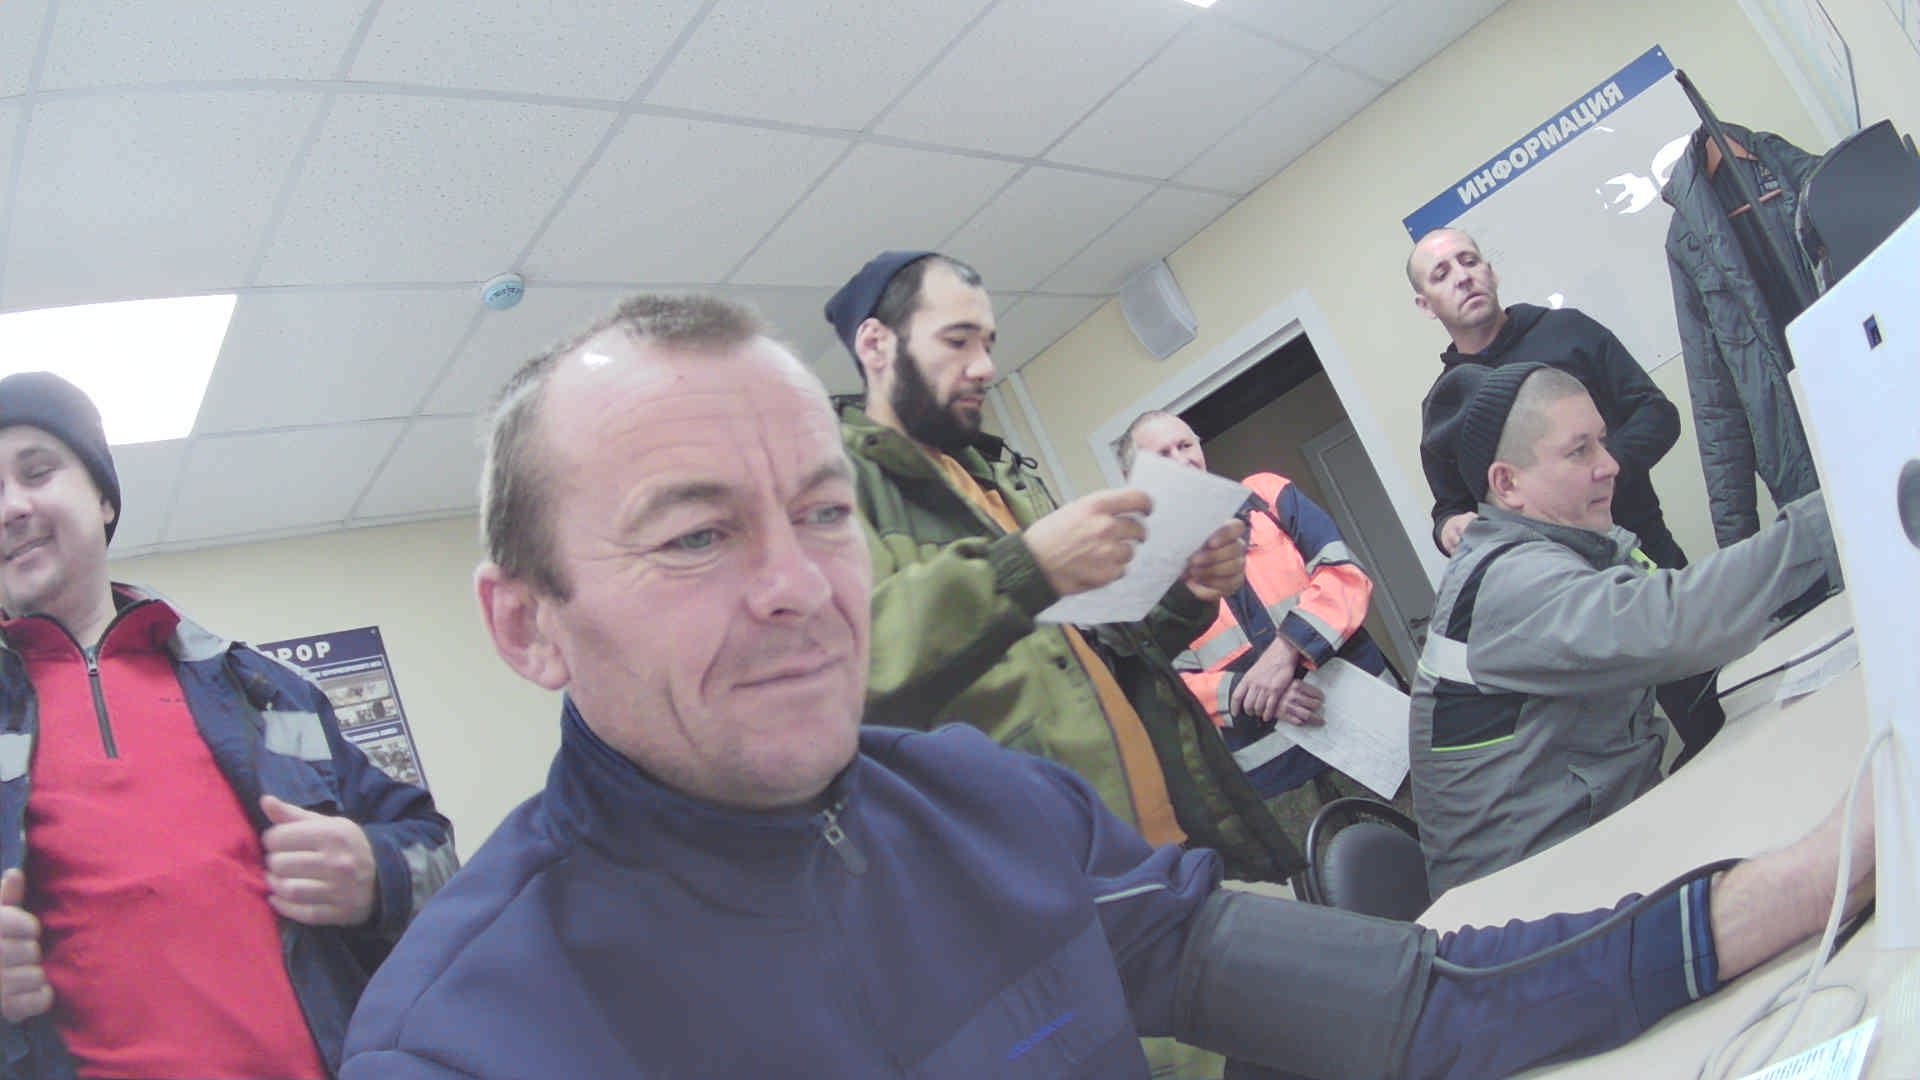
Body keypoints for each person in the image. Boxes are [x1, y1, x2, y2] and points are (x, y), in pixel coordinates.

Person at [341, 293, 1875, 1079]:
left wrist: (1798, 884)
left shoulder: (991, 811)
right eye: (694, 535)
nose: (800, 587)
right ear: (528, 627)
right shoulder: (470, 1039)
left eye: (820, 514)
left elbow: (1408, 1001)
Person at [0, 372, 455, 1079]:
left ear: (104, 497)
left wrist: (378, 871)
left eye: (37, 472)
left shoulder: (269, 696)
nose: (10, 507)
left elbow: (440, 858)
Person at [822, 250, 1307, 885]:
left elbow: (1100, 653)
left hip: (1176, 842)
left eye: (988, 343)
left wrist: (1187, 595)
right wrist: (1027, 567)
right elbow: (855, 674)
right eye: (958, 341)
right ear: (876, 345)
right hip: (1064, 879)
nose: (985, 366)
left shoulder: (1001, 477)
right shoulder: (834, 490)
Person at [1410, 362, 1839, 894]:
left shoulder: (1573, 545)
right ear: (1508, 483)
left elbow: (1676, 603)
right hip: (1538, 893)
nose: (1610, 464)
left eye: (1602, 441)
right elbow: (1671, 622)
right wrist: (1831, 519)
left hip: (1605, 838)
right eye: (1579, 451)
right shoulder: (1506, 581)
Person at [1407, 226, 1727, 761]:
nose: (1462, 276)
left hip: (1640, 559)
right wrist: (1448, 528)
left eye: (1469, 260)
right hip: (1556, 604)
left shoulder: (1568, 332)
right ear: (1426, 304)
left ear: (1491, 270)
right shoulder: (1446, 404)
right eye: (1442, 274)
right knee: (1610, 746)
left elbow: (1656, 414)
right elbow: (1449, 507)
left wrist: (1593, 471)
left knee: (1714, 702)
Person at [1120, 410, 1399, 835]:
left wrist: (1285, 653)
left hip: (1368, 725)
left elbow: (1344, 574)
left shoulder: (1267, 496)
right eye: (1162, 455)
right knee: (1335, 874)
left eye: (1185, 444)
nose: (1181, 459)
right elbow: (1165, 681)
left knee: (1437, 847)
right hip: (1277, 774)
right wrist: (1252, 695)